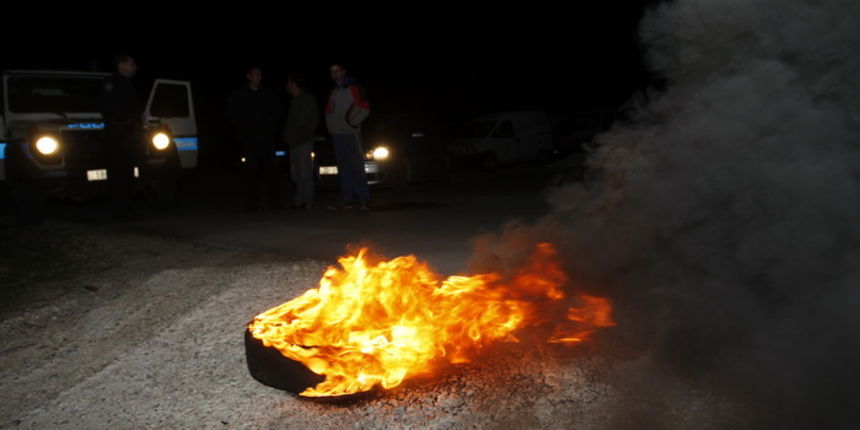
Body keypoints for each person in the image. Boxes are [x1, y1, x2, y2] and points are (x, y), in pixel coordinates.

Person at [226, 66, 283, 212]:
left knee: (272, 170)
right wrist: (242, 133)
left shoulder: (267, 94)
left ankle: (275, 203)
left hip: (266, 138)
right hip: (250, 139)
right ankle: (251, 204)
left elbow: (276, 112)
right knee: (251, 171)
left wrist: (270, 129)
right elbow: (233, 114)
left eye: (260, 74)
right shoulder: (240, 94)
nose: (259, 77)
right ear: (249, 76)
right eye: (256, 74)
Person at [324, 63, 371, 211]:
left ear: (343, 72)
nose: (335, 74)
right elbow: (329, 112)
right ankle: (348, 200)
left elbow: (365, 108)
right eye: (332, 72)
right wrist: (331, 128)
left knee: (357, 166)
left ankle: (363, 201)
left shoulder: (353, 87)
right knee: (344, 168)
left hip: (351, 134)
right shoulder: (334, 92)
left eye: (337, 71)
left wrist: (352, 123)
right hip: (337, 135)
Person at [101, 54, 142, 220]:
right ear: (122, 65)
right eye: (132, 64)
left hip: (127, 136)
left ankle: (125, 210)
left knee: (126, 175)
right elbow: (111, 110)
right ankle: (119, 213)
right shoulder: (113, 83)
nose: (135, 67)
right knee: (119, 175)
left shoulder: (126, 84)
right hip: (119, 137)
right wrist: (125, 126)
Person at [283, 74, 318, 209]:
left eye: (288, 83)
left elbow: (313, 119)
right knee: (296, 173)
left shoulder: (307, 99)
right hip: (293, 142)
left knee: (305, 172)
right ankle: (299, 199)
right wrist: (287, 135)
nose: (287, 86)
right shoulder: (292, 101)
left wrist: (304, 133)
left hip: (303, 141)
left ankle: (308, 200)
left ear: (294, 84)